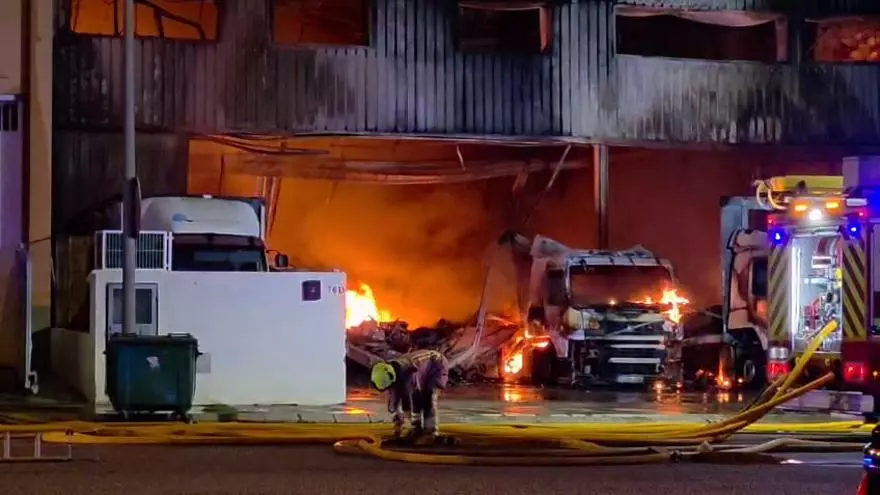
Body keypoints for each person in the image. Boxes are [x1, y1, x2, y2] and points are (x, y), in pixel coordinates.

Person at [370, 349, 449, 438]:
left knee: (428, 398)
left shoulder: (410, 372)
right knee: (406, 395)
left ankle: (430, 432)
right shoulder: (389, 374)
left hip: (436, 365)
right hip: (422, 369)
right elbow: (396, 399)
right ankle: (417, 429)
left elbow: (417, 399)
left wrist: (415, 424)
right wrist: (398, 420)